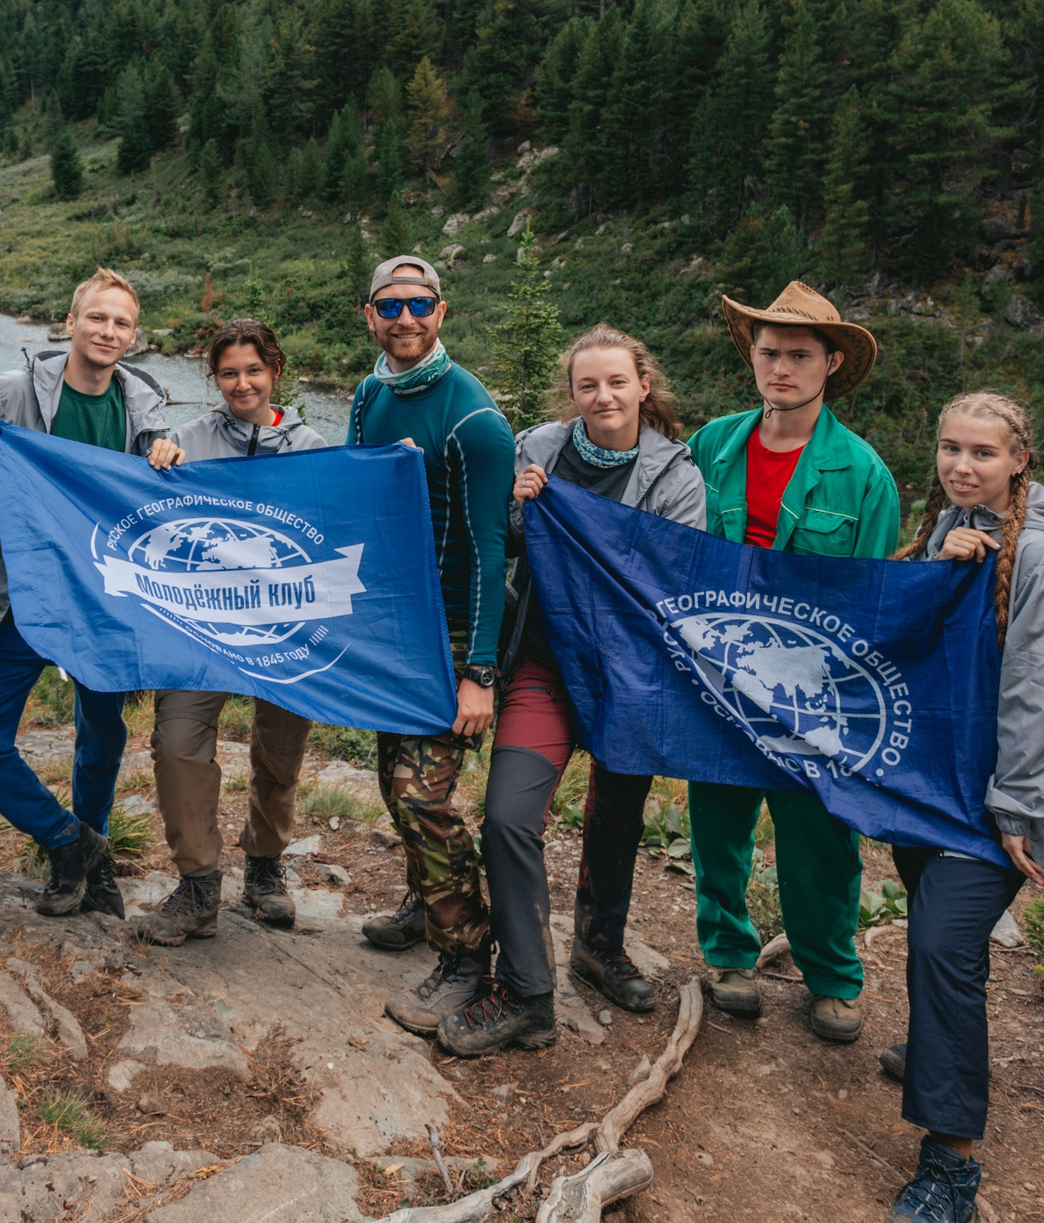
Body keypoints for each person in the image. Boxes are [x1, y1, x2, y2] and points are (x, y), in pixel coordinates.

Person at [870, 393, 1044, 1223]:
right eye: (949, 448)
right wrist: (943, 561)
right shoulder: (952, 529)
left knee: (941, 943)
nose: (963, 466)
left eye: (982, 453)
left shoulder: (1042, 557)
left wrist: (1019, 811)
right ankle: (940, 1046)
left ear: (1018, 462)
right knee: (940, 941)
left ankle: (951, 1169)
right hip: (938, 786)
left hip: (1003, 801)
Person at [441, 325, 705, 1056]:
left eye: (617, 381)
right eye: (588, 384)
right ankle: (528, 989)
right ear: (573, 392)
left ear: (643, 386)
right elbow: (499, 541)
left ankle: (599, 941)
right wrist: (521, 507)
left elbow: (676, 580)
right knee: (509, 815)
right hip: (545, 664)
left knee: (618, 814)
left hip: (627, 675)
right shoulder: (538, 448)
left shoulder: (677, 476)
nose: (603, 395)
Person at [685, 279, 900, 1043]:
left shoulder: (862, 472)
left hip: (815, 689)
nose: (780, 367)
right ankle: (729, 955)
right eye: (769, 352)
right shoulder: (713, 444)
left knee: (818, 834)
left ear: (830, 362)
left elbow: (873, 594)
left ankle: (833, 974)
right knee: (718, 817)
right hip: (717, 672)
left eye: (798, 354)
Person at [0, 268, 172, 920]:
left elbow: (161, 458)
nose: (108, 331)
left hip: (106, 605)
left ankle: (85, 855)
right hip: (26, 597)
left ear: (133, 336)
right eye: (96, 317)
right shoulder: (12, 392)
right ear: (70, 323)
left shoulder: (142, 402)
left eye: (121, 322)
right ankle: (71, 840)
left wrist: (165, 450)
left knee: (101, 735)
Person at [343, 256, 517, 1037]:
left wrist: (479, 673)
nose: (405, 318)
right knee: (392, 782)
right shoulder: (368, 396)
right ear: (369, 314)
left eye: (419, 304)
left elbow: (488, 551)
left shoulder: (472, 419)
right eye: (390, 305)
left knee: (423, 793)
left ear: (441, 312)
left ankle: (466, 955)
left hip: (451, 633)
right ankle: (426, 900)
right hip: (393, 627)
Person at [131, 317, 327, 946]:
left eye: (253, 370)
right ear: (213, 378)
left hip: (281, 627)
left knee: (280, 749)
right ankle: (199, 884)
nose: (242, 384)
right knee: (178, 741)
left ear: (275, 371)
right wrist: (157, 461)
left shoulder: (313, 446)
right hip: (200, 630)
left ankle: (266, 867)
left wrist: (392, 472)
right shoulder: (186, 439)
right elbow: (146, 511)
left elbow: (342, 516)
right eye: (228, 373)